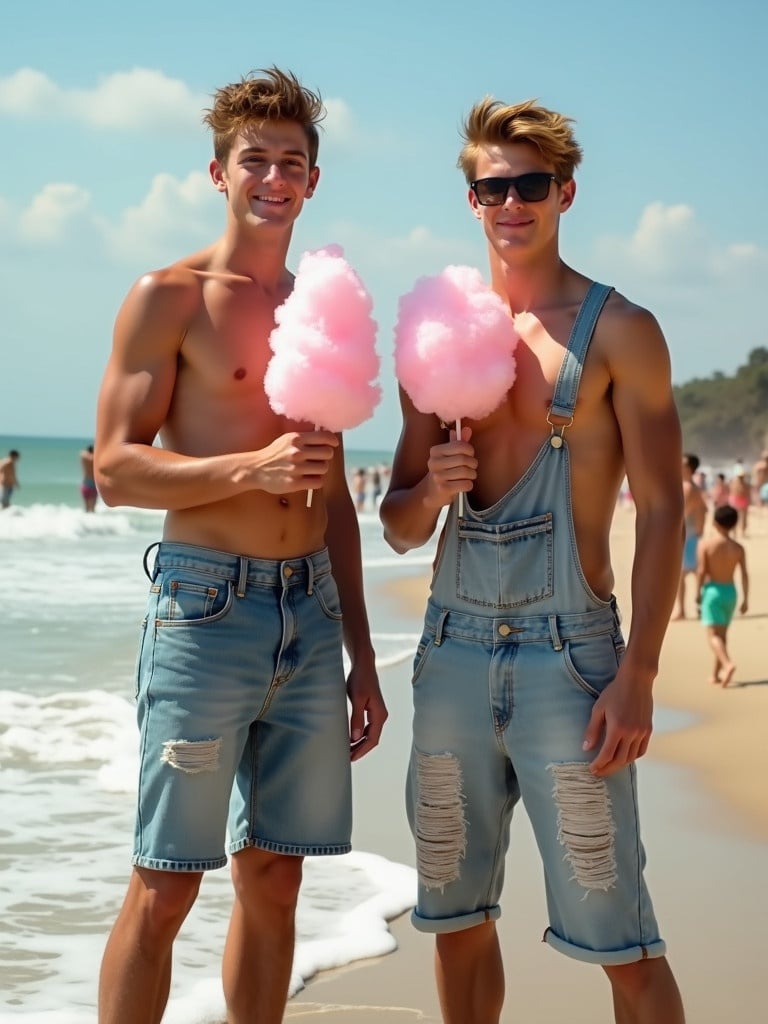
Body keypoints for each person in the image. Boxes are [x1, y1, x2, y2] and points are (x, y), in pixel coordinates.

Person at [380, 96, 685, 1024]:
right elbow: (396, 526)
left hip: (572, 661)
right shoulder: (435, 334)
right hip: (452, 658)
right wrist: (432, 487)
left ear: (566, 192)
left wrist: (638, 674)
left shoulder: (620, 329)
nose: (512, 202)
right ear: (470, 199)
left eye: (532, 184)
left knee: (620, 933)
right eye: (493, 186)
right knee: (455, 918)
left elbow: (668, 506)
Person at [93, 68, 387, 1024]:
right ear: (217, 172)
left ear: (313, 180)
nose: (273, 176)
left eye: (291, 162)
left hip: (308, 612)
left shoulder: (322, 311)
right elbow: (115, 469)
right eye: (253, 159)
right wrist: (248, 470)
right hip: (204, 606)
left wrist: (364, 659)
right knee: (167, 881)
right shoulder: (168, 296)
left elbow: (335, 494)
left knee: (275, 882)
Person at [696, 504, 748, 687]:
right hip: (731, 593)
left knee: (712, 636)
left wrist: (697, 593)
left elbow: (702, 571)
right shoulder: (738, 548)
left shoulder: (706, 544)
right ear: (734, 524)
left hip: (713, 592)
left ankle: (727, 664)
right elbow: (744, 574)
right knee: (722, 636)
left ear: (715, 523)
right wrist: (745, 599)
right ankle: (716, 675)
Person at [671, 453, 708, 620]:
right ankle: (700, 607)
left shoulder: (688, 488)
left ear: (689, 468)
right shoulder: (692, 487)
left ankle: (683, 610)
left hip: (688, 536)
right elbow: (704, 510)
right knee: (694, 573)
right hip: (692, 535)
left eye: (683, 464)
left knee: (684, 574)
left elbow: (680, 514)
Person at [80, 444, 99, 512]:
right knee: (93, 509)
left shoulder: (85, 459)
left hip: (85, 484)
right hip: (93, 484)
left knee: (86, 508)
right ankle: (91, 521)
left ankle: (87, 521)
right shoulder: (95, 459)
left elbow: (82, 453)